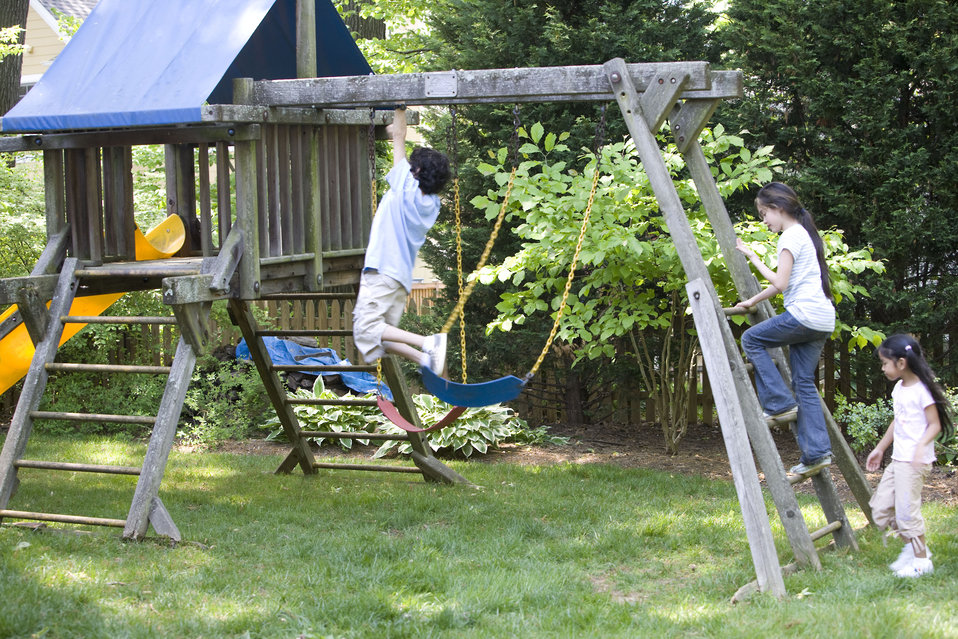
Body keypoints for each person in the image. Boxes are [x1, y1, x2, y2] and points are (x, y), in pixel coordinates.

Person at [734, 182, 835, 476]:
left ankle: (778, 403)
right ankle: (816, 454)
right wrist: (753, 259)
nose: (764, 220)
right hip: (823, 319)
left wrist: (752, 297)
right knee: (804, 382)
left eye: (765, 213)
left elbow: (780, 284)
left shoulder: (789, 236)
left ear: (779, 209)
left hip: (804, 315)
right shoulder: (803, 234)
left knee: (751, 338)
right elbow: (785, 280)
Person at [352, 107, 451, 375]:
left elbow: (399, 136)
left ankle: (427, 343)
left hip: (382, 271)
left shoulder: (404, 187)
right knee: (379, 339)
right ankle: (425, 360)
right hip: (399, 279)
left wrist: (399, 107)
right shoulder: (432, 204)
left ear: (416, 170)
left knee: (366, 328)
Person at [866, 334, 953, 578]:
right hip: (898, 459)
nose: (883, 368)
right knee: (880, 507)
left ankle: (921, 561)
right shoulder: (899, 389)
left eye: (885, 363)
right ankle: (910, 547)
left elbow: (934, 425)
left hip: (915, 462)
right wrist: (881, 448)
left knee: (907, 513)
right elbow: (898, 421)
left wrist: (920, 445)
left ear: (901, 363)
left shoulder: (922, 391)